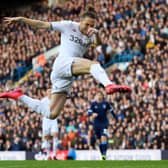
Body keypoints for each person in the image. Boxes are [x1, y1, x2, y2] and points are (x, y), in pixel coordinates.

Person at [0, 5, 131, 120]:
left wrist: (96, 34)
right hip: (62, 63)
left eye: (92, 25)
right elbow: (42, 25)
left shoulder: (91, 35)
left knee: (51, 114)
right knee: (94, 65)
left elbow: (99, 43)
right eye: (87, 24)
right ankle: (109, 85)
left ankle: (19, 96)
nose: (89, 28)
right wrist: (22, 19)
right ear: (80, 21)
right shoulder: (68, 25)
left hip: (65, 75)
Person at [88, 91, 117, 160]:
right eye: (98, 95)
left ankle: (104, 153)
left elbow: (111, 111)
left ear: (102, 96)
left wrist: (116, 118)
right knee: (99, 141)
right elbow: (89, 113)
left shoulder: (105, 103)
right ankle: (102, 155)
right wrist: (92, 114)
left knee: (103, 137)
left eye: (100, 95)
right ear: (96, 96)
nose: (99, 96)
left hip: (104, 123)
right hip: (96, 124)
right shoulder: (93, 104)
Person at [40, 89, 59, 159]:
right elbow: (39, 108)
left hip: (54, 119)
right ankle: (48, 154)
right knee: (46, 138)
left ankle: (54, 154)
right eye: (48, 92)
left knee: (55, 136)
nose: (50, 93)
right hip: (46, 120)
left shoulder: (55, 100)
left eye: (51, 92)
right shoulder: (43, 100)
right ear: (46, 93)